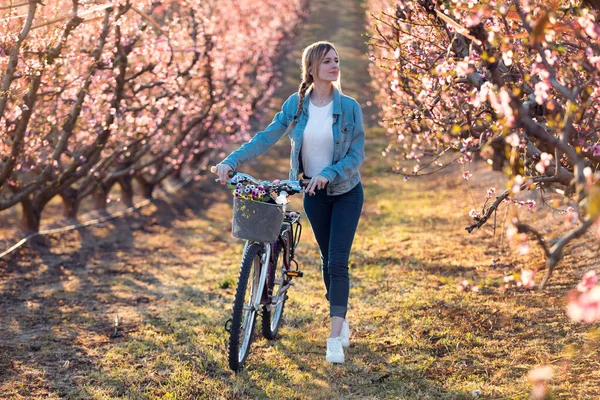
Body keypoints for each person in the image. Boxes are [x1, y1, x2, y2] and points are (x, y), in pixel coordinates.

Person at [214, 41, 364, 364]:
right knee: (327, 262)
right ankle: (341, 313)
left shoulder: (350, 107)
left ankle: (334, 337)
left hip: (346, 192)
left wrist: (330, 172)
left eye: (337, 60)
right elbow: (266, 137)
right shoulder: (296, 106)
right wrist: (231, 161)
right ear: (311, 68)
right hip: (312, 193)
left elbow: (356, 155)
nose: (335, 65)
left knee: (338, 261)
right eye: (327, 61)